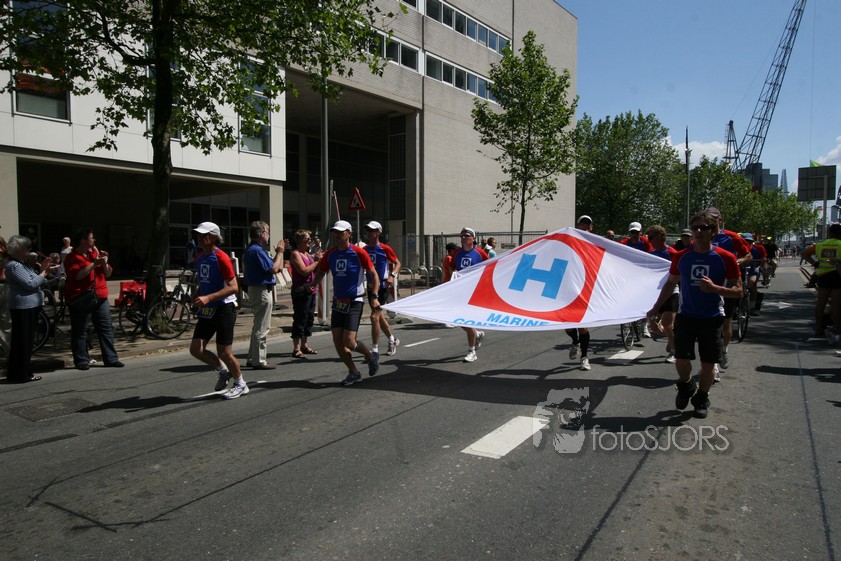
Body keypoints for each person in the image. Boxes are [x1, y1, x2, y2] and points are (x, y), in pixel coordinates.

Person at [647, 211, 742, 419]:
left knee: (708, 364)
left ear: (713, 231)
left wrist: (715, 288)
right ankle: (686, 385)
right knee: (681, 359)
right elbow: (671, 283)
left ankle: (701, 398)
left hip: (712, 317)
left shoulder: (725, 257)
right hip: (687, 316)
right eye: (695, 228)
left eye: (703, 228)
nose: (698, 231)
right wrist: (655, 308)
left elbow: (738, 290)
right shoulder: (681, 256)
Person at [307, 220, 380, 386]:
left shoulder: (358, 253)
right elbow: (322, 271)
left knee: (349, 341)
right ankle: (353, 372)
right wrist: (313, 283)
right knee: (337, 341)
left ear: (349, 234)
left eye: (341, 233)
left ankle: (370, 356)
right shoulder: (330, 254)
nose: (337, 236)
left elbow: (374, 275)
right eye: (335, 233)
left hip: (355, 301)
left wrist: (374, 296)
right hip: (339, 302)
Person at [189, 221, 248, 399]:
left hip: (224, 308)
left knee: (224, 351)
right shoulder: (200, 257)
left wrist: (208, 298)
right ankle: (223, 370)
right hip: (208, 309)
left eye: (204, 235)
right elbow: (205, 281)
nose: (200, 238)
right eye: (198, 235)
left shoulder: (221, 258)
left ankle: (241, 384)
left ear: (214, 237)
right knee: (196, 349)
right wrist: (197, 295)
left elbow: (233, 287)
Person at [63, 228, 124, 370]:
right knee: (80, 329)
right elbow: (77, 275)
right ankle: (81, 360)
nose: (94, 240)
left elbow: (108, 274)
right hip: (82, 297)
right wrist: (94, 264)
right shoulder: (72, 257)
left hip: (100, 297)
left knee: (106, 328)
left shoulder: (94, 254)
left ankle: (111, 358)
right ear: (83, 240)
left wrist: (104, 262)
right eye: (91, 237)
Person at [706, 207, 751, 373]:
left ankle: (723, 350)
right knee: (711, 325)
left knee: (726, 322)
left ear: (720, 220)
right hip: (708, 284)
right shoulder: (702, 235)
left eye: (714, 218)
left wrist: (735, 262)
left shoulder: (731, 237)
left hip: (728, 283)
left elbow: (748, 255)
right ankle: (713, 364)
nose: (710, 221)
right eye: (707, 218)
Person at [4, 235, 53, 382]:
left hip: (30, 305)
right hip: (23, 306)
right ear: (18, 249)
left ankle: (23, 371)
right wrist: (44, 273)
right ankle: (20, 373)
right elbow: (30, 284)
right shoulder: (14, 265)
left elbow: (35, 279)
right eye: (27, 248)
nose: (29, 250)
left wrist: (42, 270)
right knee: (22, 341)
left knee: (26, 341)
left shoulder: (23, 264)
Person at [243, 220, 286, 370]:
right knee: (262, 326)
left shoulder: (251, 249)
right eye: (267, 233)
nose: (269, 236)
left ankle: (252, 357)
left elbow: (268, 267)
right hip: (261, 290)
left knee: (258, 325)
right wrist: (280, 253)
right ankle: (259, 360)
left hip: (256, 289)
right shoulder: (257, 250)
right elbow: (273, 269)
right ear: (262, 234)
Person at [448, 227, 489, 362]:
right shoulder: (457, 253)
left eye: (466, 235)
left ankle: (472, 351)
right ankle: (477, 334)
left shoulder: (480, 253)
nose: (463, 238)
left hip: (474, 291)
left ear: (473, 238)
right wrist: (454, 274)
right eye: (462, 236)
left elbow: (489, 267)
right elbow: (452, 266)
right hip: (460, 290)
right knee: (457, 319)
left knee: (467, 318)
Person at [363, 221, 402, 357]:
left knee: (374, 316)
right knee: (379, 317)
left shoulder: (385, 248)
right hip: (370, 287)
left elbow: (397, 263)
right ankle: (392, 339)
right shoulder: (365, 249)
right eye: (368, 230)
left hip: (383, 286)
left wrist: (392, 275)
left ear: (378, 232)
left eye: (372, 230)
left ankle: (374, 349)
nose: (369, 233)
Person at [802, 223, 841, 340]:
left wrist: (814, 263)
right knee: (836, 304)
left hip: (823, 276)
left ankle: (819, 328)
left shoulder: (819, 245)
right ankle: (836, 327)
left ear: (830, 233)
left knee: (821, 303)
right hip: (837, 275)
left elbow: (804, 254)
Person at [646, 225, 678, 362]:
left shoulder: (673, 253)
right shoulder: (651, 254)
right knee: (654, 328)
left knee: (667, 324)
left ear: (659, 237)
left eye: (651, 238)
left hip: (672, 292)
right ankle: (673, 339)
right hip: (655, 294)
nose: (649, 241)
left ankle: (674, 351)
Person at [289, 229, 322, 358]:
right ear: (299, 241)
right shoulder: (295, 254)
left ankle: (304, 344)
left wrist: (318, 261)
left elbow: (314, 271)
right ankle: (296, 348)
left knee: (309, 318)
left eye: (310, 239)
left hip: (311, 289)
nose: (309, 241)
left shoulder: (307, 254)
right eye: (307, 239)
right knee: (300, 318)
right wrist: (316, 261)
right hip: (301, 290)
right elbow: (304, 271)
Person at [567, 215, 593, 370]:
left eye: (587, 224)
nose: (584, 226)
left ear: (591, 227)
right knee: (568, 326)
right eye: (582, 223)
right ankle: (575, 342)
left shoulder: (594, 243)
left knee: (582, 326)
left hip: (585, 289)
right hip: (569, 287)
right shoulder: (571, 240)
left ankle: (584, 357)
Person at [623, 221, 653, 338]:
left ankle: (644, 325)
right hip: (629, 273)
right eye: (632, 232)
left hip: (643, 274)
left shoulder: (646, 243)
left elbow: (652, 255)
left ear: (640, 232)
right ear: (629, 233)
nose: (634, 234)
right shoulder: (624, 243)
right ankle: (628, 320)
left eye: (636, 232)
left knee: (645, 300)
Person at [741, 233, 767, 316]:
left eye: (749, 241)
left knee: (752, 282)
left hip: (753, 270)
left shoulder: (756, 250)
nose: (747, 243)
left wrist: (765, 271)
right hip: (740, 271)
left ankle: (752, 307)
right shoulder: (737, 250)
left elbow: (763, 261)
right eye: (745, 241)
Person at [0, 235, 10, 361]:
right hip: (4, 286)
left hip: (3, 285)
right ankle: (8, 355)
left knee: (6, 323)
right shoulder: (5, 252)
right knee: (6, 324)